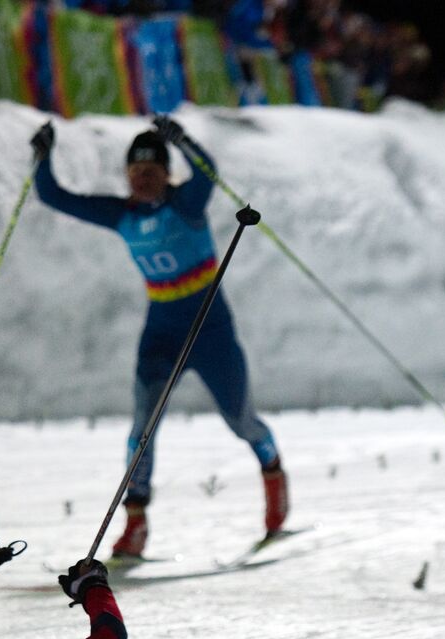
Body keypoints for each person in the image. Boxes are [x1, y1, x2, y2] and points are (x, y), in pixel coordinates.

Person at [30, 116, 288, 558]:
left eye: (151, 172)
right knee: (141, 430)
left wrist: (184, 141)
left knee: (240, 419)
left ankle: (273, 471)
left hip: (211, 331)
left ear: (167, 175)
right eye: (135, 173)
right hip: (162, 334)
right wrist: (42, 155)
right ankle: (135, 522)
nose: (142, 181)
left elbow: (209, 171)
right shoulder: (121, 213)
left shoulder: (186, 204)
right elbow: (53, 196)